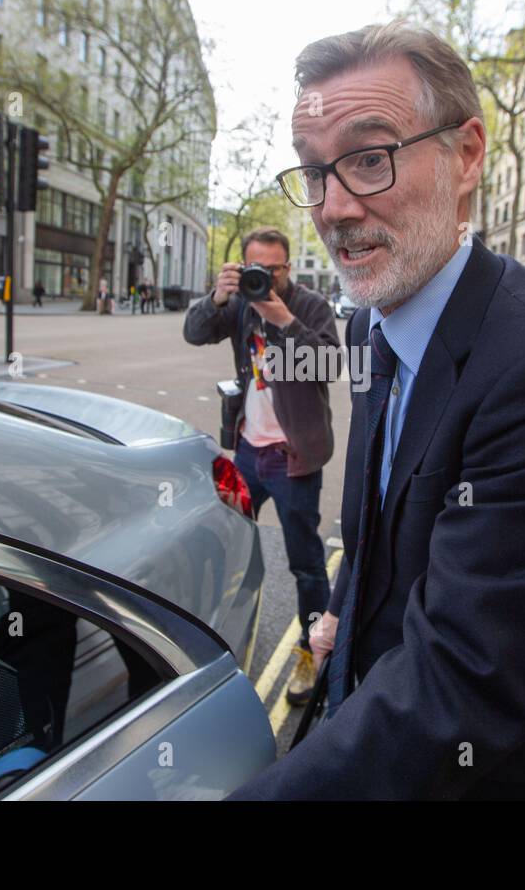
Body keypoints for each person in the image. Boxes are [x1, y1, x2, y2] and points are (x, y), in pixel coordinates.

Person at [229, 22, 525, 799]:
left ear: (468, 154)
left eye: (369, 158)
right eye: (315, 173)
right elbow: (376, 530)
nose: (335, 206)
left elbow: (468, 671)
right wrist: (341, 625)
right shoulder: (369, 322)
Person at [184, 227, 339, 707]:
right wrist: (217, 295)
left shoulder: (309, 305)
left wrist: (284, 319)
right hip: (249, 452)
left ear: (287, 268)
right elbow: (194, 332)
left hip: (293, 458)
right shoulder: (240, 302)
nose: (264, 277)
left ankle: (310, 655)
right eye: (256, 268)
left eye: (273, 269)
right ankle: (219, 648)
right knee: (229, 546)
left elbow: (330, 365)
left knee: (308, 566)